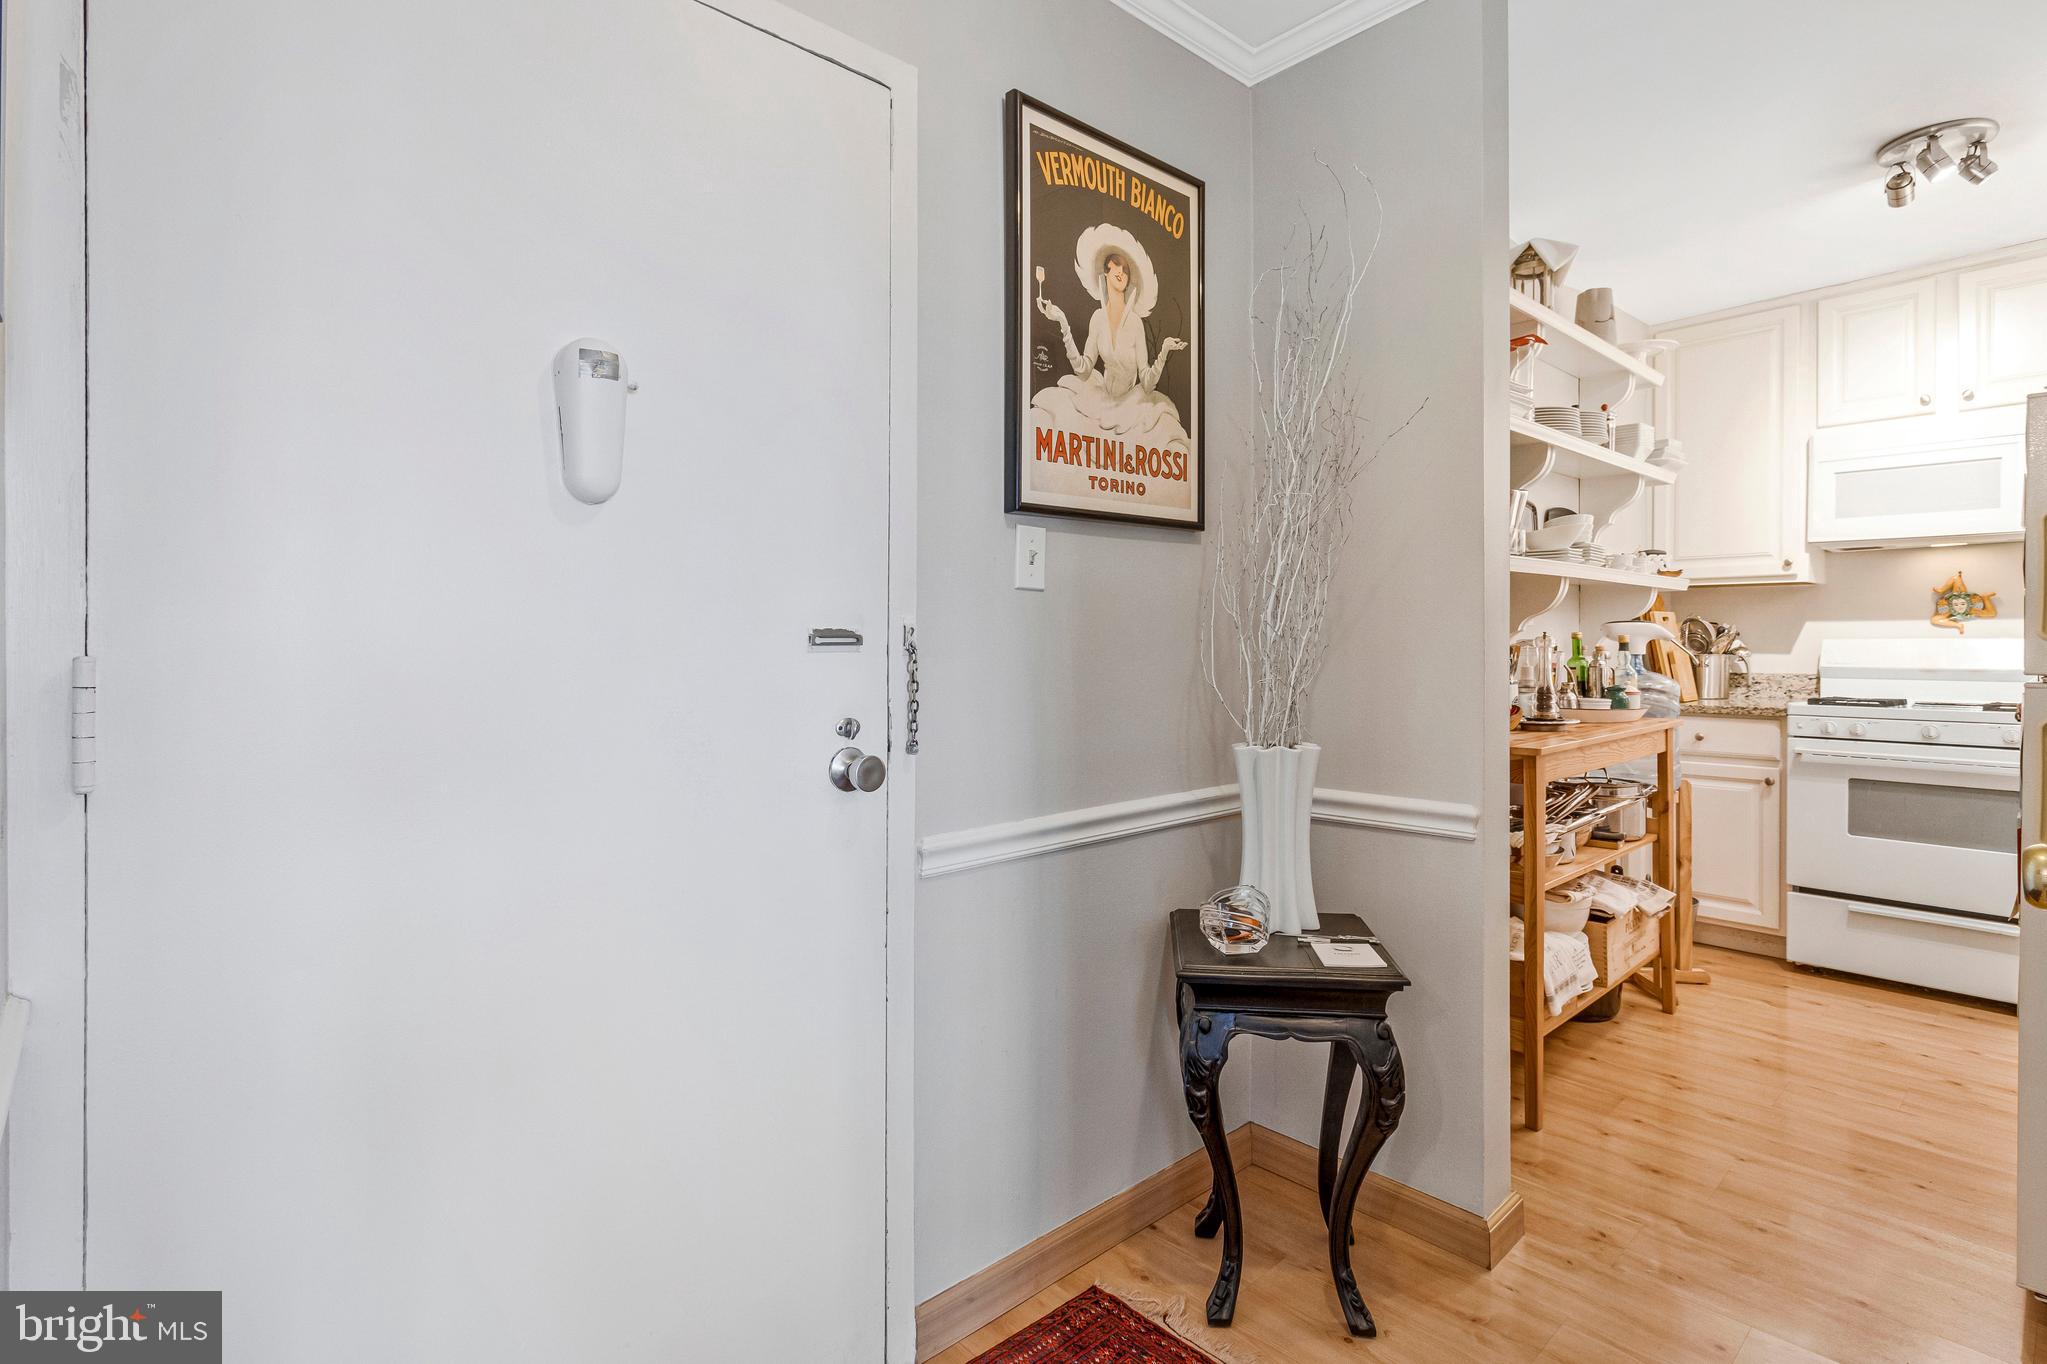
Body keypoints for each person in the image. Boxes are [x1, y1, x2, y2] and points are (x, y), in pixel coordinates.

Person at [1031, 224, 1190, 457]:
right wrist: (1063, 322)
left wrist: (1164, 351)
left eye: (1124, 269)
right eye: (1114, 267)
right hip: (1100, 398)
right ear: (1105, 273)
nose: (1119, 272)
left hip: (1131, 404)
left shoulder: (1135, 323)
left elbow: (1146, 382)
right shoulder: (1097, 318)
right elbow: (1083, 370)